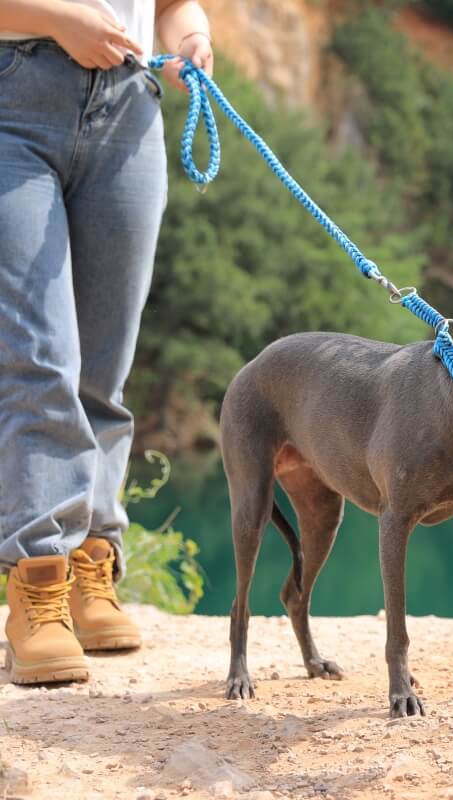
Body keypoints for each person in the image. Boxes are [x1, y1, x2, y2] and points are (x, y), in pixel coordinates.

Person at [0, 0, 213, 684]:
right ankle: (38, 579)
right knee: (41, 356)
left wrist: (191, 38)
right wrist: (57, 19)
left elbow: (175, 4)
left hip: (129, 107)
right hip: (14, 96)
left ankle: (93, 562)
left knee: (104, 364)